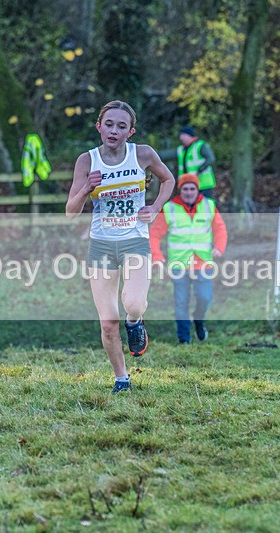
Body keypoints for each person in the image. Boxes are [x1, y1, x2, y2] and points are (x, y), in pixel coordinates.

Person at [66, 100, 175, 394]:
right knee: (107, 323)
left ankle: (136, 322)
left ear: (131, 131)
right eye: (109, 124)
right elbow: (70, 211)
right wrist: (87, 189)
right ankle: (122, 378)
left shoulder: (142, 154)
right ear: (99, 126)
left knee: (134, 303)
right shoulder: (86, 161)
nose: (114, 130)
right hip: (100, 245)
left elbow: (168, 180)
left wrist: (155, 207)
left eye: (121, 126)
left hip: (134, 240)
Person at [149, 173, 227, 344]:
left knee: (205, 298)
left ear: (197, 190)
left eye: (192, 188)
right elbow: (154, 234)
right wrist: (157, 255)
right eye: (185, 189)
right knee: (181, 302)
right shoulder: (169, 208)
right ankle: (184, 339)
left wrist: (219, 248)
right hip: (179, 264)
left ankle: (199, 321)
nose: (189, 192)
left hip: (203, 262)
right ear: (180, 190)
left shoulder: (208, 205)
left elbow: (220, 229)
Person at [158, 126, 217, 197]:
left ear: (190, 136)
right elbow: (164, 155)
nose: (181, 138)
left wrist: (199, 171)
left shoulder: (200, 146)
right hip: (188, 186)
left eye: (183, 135)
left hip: (203, 185)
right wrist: (149, 154)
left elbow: (210, 159)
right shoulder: (181, 149)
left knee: (205, 206)